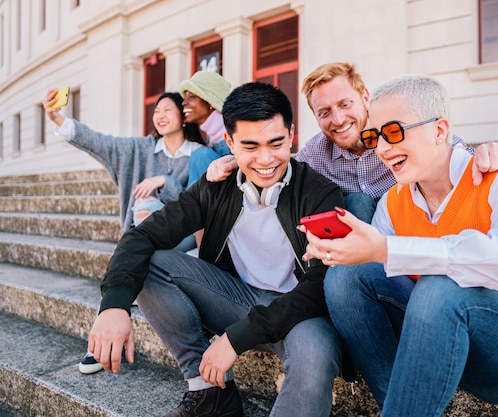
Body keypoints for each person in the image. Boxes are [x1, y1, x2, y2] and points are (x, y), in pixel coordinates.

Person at [301, 75, 498, 416]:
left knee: (440, 284)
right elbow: (375, 269)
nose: (382, 149)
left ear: (440, 130)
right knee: (345, 277)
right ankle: (395, 405)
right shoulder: (393, 202)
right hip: (439, 341)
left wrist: (386, 249)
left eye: (394, 132)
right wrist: (339, 253)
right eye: (375, 137)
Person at [87, 82, 346, 417]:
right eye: (249, 146)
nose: (265, 159)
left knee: (316, 357)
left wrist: (236, 338)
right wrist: (113, 305)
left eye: (276, 143)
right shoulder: (216, 187)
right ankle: (209, 392)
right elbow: (142, 237)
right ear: (229, 143)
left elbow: (318, 288)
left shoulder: (320, 193)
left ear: (292, 135)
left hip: (299, 312)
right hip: (234, 297)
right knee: (150, 263)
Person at [206, 62, 498, 223]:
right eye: (324, 112)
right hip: (364, 253)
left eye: (345, 105)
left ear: (365, 96)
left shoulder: (396, 134)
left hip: (411, 234)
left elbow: (447, 150)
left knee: (359, 202)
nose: (337, 120)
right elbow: (281, 161)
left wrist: (490, 151)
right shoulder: (316, 152)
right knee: (353, 204)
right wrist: (236, 160)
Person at [43, 89, 205, 374]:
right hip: (145, 238)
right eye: (156, 111)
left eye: (168, 109)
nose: (160, 116)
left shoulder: (200, 155)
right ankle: (110, 323)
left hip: (184, 237)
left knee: (142, 223)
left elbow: (198, 205)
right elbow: (99, 143)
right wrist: (59, 119)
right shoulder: (141, 149)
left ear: (183, 116)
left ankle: (105, 330)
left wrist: (162, 181)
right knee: (142, 218)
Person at [179, 70, 232, 187]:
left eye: (191, 97)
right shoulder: (210, 139)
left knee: (200, 155)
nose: (183, 103)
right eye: (185, 97)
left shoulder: (234, 135)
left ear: (210, 102)